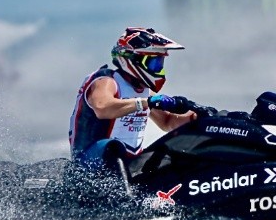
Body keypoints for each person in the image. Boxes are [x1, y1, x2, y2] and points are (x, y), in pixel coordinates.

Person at [68, 27, 196, 168]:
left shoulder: (145, 92)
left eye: (160, 64)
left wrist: (198, 117)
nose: (158, 69)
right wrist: (146, 103)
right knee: (112, 148)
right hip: (89, 166)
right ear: (133, 59)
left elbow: (168, 121)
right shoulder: (105, 80)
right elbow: (102, 107)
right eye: (154, 63)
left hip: (130, 164)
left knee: (170, 155)